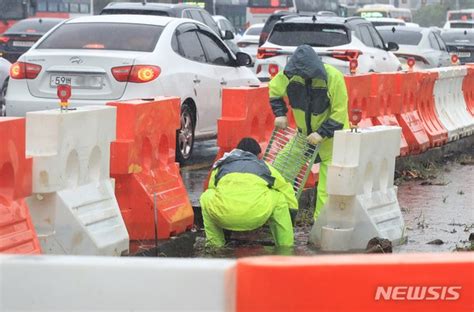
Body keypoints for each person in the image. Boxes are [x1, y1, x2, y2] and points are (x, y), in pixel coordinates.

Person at [268, 44, 349, 220]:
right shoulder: (289, 75)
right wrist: (280, 113)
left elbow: (339, 112)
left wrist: (322, 133)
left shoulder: (333, 77)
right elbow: (274, 90)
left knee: (327, 187)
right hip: (304, 136)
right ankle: (272, 213)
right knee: (278, 171)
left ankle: (321, 224)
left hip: (333, 141)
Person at [200, 137, 298, 248]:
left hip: (223, 217)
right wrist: (292, 214)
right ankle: (285, 246)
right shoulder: (266, 168)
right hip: (256, 217)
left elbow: (213, 188)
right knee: (279, 196)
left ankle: (215, 244)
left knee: (206, 196)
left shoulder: (220, 167)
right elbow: (286, 189)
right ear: (258, 155)